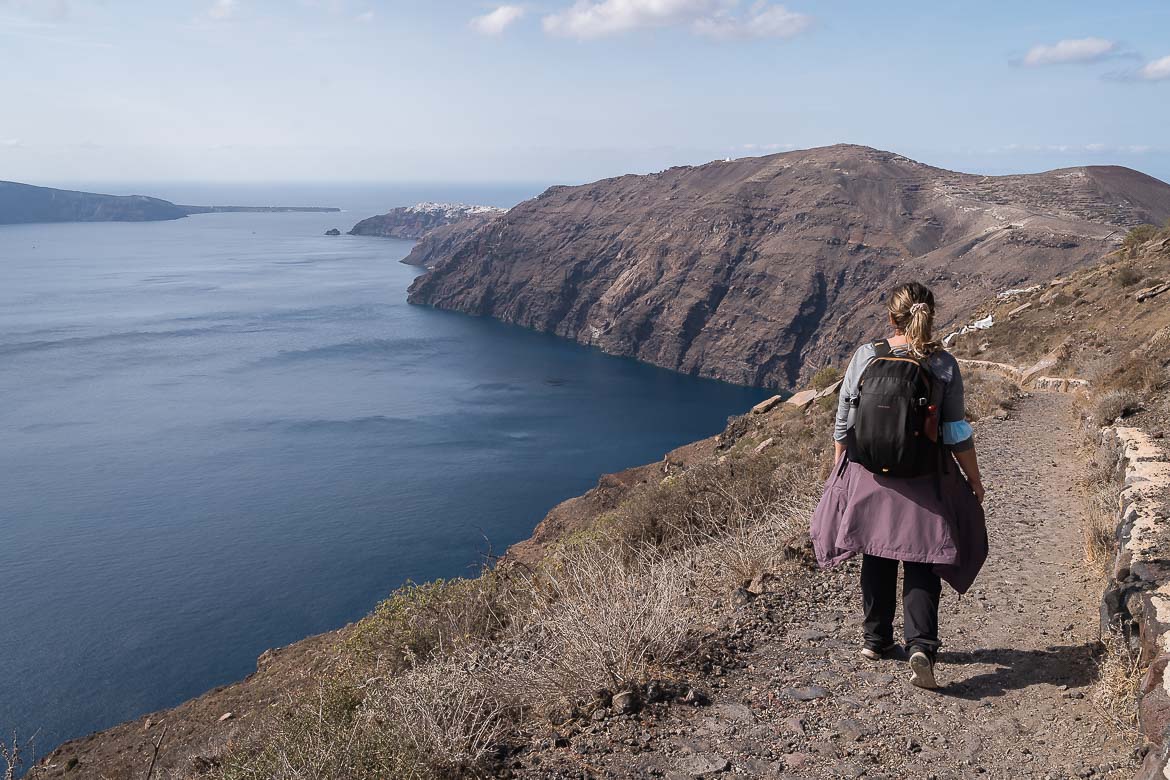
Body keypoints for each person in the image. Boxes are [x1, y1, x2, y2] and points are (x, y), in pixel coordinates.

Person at [810, 281, 988, 689]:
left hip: (869, 472)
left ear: (890, 318)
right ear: (930, 314)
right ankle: (921, 645)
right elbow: (956, 431)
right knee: (922, 557)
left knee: (877, 551)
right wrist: (974, 478)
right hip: (925, 475)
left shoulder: (867, 356)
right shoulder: (943, 364)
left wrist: (842, 467)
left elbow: (845, 419)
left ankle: (876, 639)